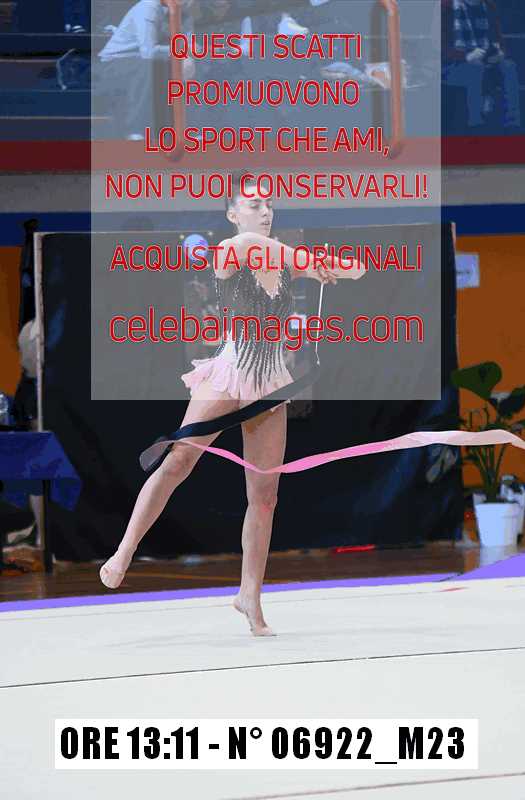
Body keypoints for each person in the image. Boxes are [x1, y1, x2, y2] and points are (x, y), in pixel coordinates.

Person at [99, 171, 365, 636]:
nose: (265, 212)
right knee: (178, 460)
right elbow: (258, 248)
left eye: (269, 205)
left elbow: (356, 270)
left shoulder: (284, 259)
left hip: (270, 383)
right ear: (232, 214)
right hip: (230, 372)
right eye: (255, 205)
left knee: (265, 496)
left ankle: (249, 595)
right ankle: (125, 550)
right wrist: (310, 260)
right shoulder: (231, 249)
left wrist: (332, 266)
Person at [95, 0, 195, 139]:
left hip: (150, 59)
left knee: (192, 66)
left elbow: (189, 46)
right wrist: (182, 52)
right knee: (149, 66)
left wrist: (190, 57)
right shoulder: (149, 7)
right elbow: (148, 52)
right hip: (115, 61)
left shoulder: (184, 12)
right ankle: (136, 129)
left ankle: (191, 128)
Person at [441, 0, 520, 129]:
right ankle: (476, 123)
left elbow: (499, 40)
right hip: (454, 64)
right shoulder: (446, 6)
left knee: (509, 66)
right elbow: (439, 47)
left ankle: (512, 123)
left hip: (485, 60)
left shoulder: (489, 6)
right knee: (475, 69)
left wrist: (500, 53)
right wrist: (466, 57)